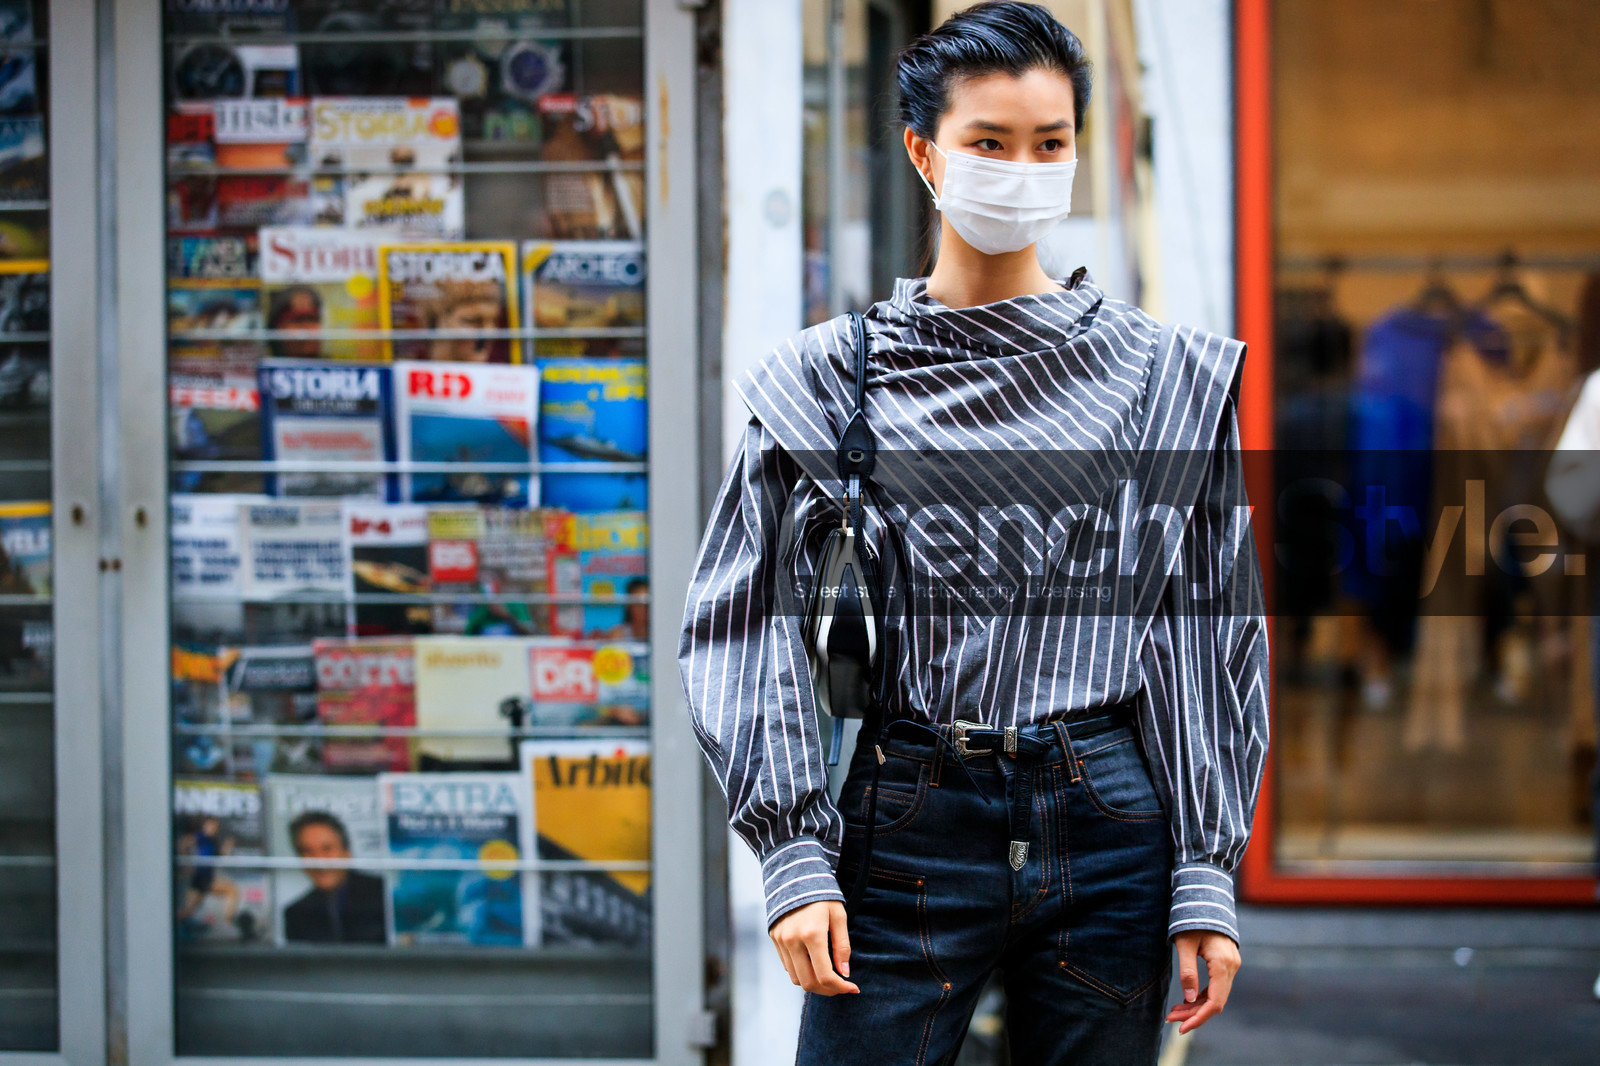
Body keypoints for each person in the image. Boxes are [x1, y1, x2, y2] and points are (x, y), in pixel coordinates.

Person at [678, 4, 1268, 1062]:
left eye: (1049, 144)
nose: (1021, 169)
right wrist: (794, 855)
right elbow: (739, 619)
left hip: (1109, 816)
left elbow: (1202, 633)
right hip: (905, 814)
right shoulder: (825, 377)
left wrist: (1206, 872)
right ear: (923, 151)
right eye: (988, 143)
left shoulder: (1165, 376)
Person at [282, 810, 387, 944]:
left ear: (346, 852)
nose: (319, 861)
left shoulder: (383, 895)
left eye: (327, 849)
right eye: (307, 851)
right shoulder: (295, 913)